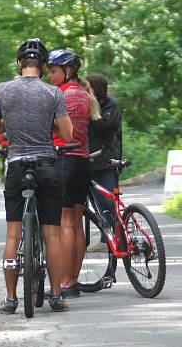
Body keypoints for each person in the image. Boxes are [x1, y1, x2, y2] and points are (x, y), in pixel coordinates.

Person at [0, 38, 73, 314]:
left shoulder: (2, 90)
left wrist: (9, 123)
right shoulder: (54, 94)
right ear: (44, 65)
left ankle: (11, 298)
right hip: (46, 164)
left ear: (18, 64)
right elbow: (68, 134)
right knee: (52, 234)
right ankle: (56, 295)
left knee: (13, 234)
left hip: (17, 164)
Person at [46, 49, 100, 298]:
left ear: (68, 71)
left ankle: (65, 282)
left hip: (65, 159)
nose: (49, 76)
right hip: (82, 162)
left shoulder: (61, 95)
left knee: (66, 223)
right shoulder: (84, 94)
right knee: (76, 223)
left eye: (53, 71)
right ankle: (73, 279)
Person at [86, 74, 121, 249]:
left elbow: (102, 126)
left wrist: (91, 108)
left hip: (107, 159)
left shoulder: (110, 105)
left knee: (106, 200)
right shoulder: (89, 105)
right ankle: (106, 237)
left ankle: (110, 238)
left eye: (88, 88)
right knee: (95, 202)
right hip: (89, 158)